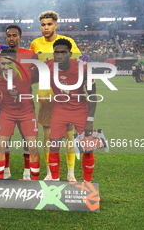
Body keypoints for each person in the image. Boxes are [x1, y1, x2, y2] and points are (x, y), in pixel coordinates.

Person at [32, 38, 97, 182]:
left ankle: (87, 184)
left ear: (70, 54)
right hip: (60, 109)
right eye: (56, 52)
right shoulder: (47, 67)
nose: (59, 55)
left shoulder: (83, 67)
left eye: (63, 52)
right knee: (53, 145)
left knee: (88, 148)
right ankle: (55, 181)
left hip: (80, 109)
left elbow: (93, 95)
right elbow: (27, 78)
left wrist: (90, 121)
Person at [29, 11, 83, 181]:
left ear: (55, 25)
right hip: (45, 97)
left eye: (49, 24)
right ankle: (51, 173)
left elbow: (77, 65)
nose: (46, 27)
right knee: (47, 137)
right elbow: (31, 68)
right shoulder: (35, 44)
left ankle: (71, 173)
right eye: (43, 25)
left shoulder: (68, 43)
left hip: (65, 97)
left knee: (68, 136)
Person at [0, 48, 40, 180]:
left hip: (27, 113)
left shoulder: (28, 74)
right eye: (3, 63)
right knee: (0, 146)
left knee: (33, 147)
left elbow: (50, 70)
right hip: (7, 113)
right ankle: (0, 180)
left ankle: (35, 181)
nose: (6, 66)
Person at [4, 24, 38, 179]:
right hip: (6, 107)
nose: (11, 38)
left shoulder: (30, 55)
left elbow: (38, 76)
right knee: (5, 140)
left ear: (20, 37)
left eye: (14, 35)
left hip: (25, 105)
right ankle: (6, 170)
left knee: (28, 140)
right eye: (9, 35)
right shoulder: (2, 56)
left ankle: (27, 172)